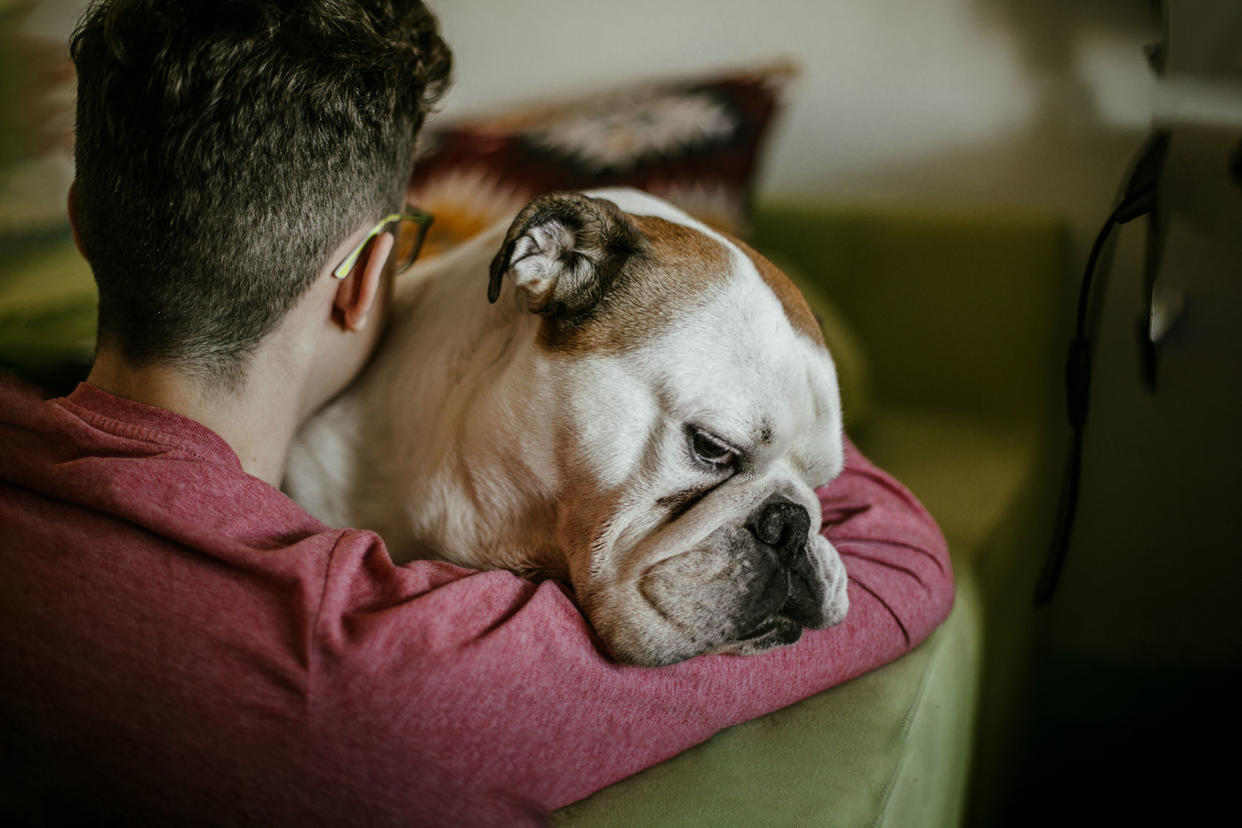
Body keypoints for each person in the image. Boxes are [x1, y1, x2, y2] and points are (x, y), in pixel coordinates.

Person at [0, 1, 954, 824]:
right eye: (710, 446)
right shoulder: (385, 671)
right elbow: (904, 560)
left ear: (83, 224)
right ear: (372, 271)